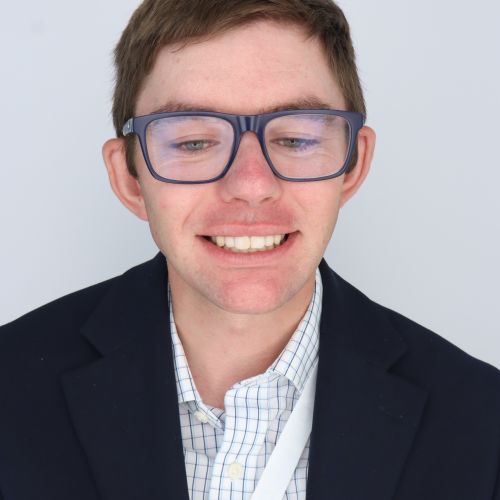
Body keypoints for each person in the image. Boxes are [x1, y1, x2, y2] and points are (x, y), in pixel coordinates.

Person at [0, 0, 499, 498]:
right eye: (194, 142)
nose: (251, 185)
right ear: (130, 179)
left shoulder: (482, 424)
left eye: (295, 138)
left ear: (352, 165)